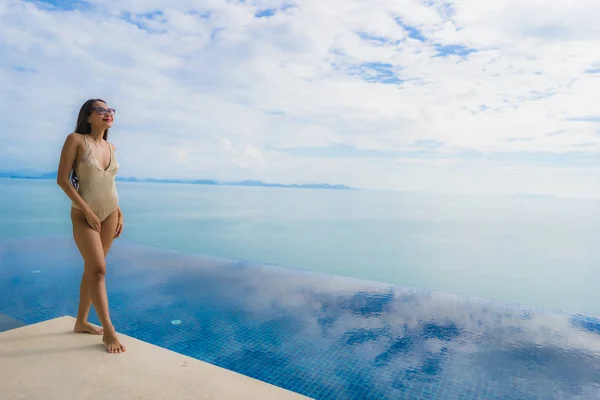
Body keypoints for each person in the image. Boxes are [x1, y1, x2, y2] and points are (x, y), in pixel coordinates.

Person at [56, 98, 126, 354]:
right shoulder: (75, 140)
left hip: (109, 214)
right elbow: (63, 180)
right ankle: (108, 331)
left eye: (110, 110)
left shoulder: (111, 146)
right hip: (84, 215)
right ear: (88, 117)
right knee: (98, 269)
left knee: (93, 270)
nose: (108, 113)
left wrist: (119, 212)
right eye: (101, 109)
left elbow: (109, 183)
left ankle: (81, 322)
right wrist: (86, 210)